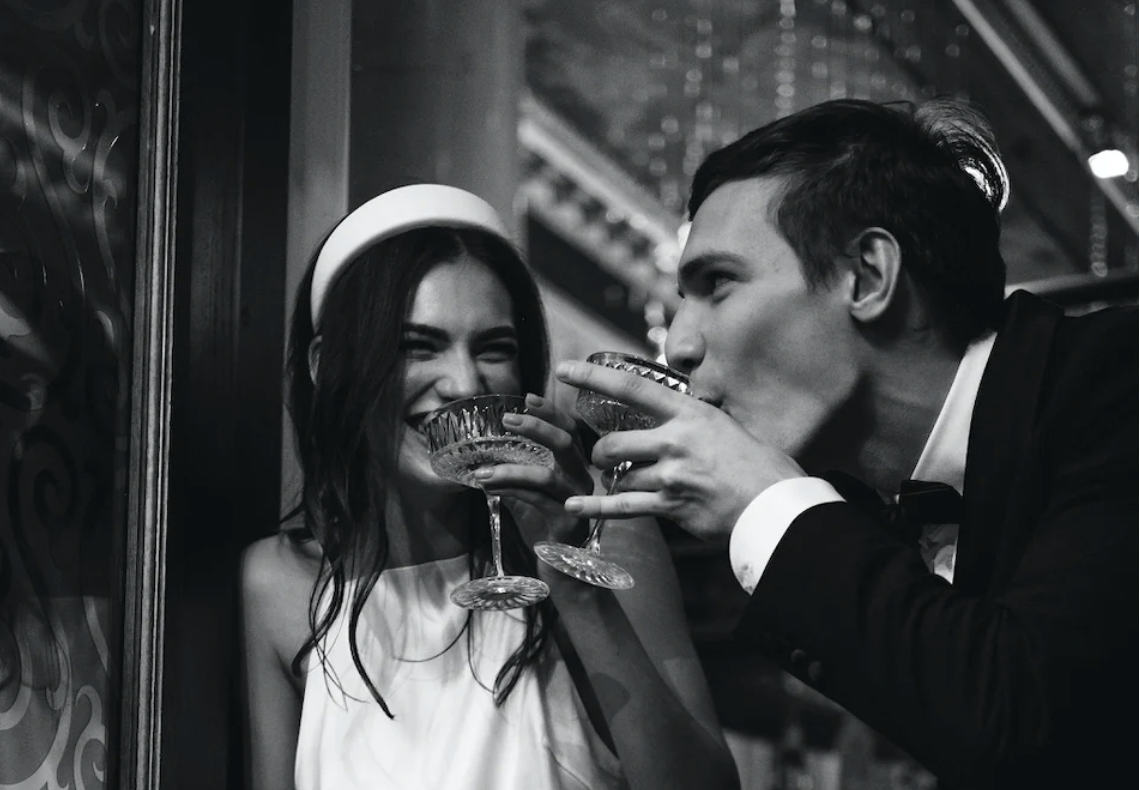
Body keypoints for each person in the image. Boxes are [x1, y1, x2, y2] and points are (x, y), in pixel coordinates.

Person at [554, 98, 1137, 789]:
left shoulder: (1119, 381)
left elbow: (1029, 724)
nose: (678, 344)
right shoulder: (870, 515)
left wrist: (764, 504)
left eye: (716, 284)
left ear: (867, 275)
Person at [239, 183, 739, 790]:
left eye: (493, 349)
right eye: (416, 347)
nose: (462, 382)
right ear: (326, 363)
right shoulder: (278, 583)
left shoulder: (605, 529)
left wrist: (571, 579)